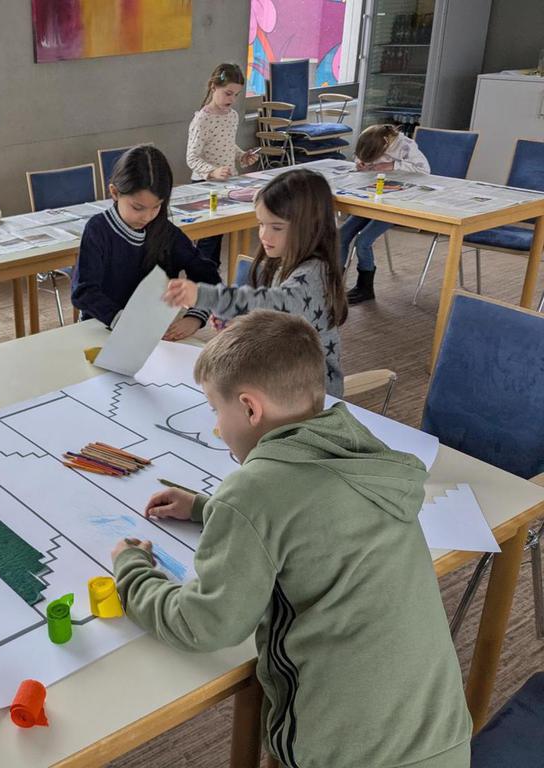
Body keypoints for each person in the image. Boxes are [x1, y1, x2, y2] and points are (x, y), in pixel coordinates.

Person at [112, 309, 471, 768]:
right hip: (442, 738)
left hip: (346, 756)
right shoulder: (359, 451)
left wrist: (133, 573)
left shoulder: (254, 492)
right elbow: (312, 512)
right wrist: (207, 508)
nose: (217, 428)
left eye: (216, 411)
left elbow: (205, 624)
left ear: (249, 408)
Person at [163, 169, 348, 396]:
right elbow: (277, 324)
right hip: (283, 380)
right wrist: (240, 324)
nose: (264, 236)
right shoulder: (283, 263)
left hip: (313, 397)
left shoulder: (313, 273)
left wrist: (206, 296)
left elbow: (276, 303)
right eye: (261, 224)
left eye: (276, 227)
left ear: (310, 226)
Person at [72, 144, 221, 341]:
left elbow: (208, 276)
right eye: (137, 207)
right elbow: (83, 292)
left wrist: (195, 317)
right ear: (114, 193)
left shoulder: (166, 232)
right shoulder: (98, 230)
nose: (147, 216)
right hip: (102, 328)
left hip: (155, 332)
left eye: (156, 207)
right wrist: (123, 321)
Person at [340, 124, 430, 304]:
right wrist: (360, 164)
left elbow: (424, 170)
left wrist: (393, 165)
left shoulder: (405, 146)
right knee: (341, 235)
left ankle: (365, 287)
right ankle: (334, 282)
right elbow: (362, 157)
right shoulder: (372, 140)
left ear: (385, 143)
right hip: (373, 199)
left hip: (396, 204)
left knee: (363, 241)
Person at [186, 63, 260, 266]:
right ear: (213, 87)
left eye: (236, 95)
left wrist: (242, 156)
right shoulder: (202, 120)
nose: (232, 99)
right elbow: (192, 158)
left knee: (219, 233)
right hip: (205, 185)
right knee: (208, 238)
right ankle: (203, 275)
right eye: (228, 93)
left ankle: (212, 273)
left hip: (227, 184)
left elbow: (226, 144)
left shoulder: (232, 116)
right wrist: (212, 171)